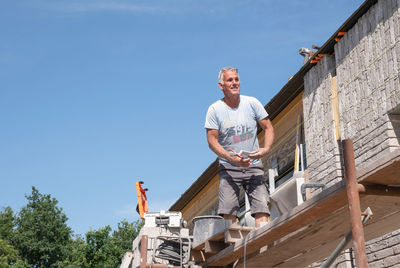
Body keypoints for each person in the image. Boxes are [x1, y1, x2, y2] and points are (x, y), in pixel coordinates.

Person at [204, 67, 274, 227]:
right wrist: (231, 159)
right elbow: (212, 141)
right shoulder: (215, 110)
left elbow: (268, 127)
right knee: (229, 212)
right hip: (229, 167)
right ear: (221, 86)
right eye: (230, 80)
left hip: (253, 165)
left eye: (236, 79)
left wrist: (266, 148)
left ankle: (262, 247)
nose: (234, 83)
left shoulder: (252, 103)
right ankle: (232, 247)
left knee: (262, 207)